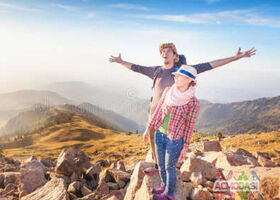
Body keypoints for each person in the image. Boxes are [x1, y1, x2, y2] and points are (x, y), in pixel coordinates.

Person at [109, 43, 256, 174]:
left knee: (171, 148)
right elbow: (136, 68)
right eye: (162, 52)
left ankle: (171, 170)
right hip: (154, 116)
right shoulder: (155, 71)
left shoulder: (184, 71)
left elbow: (210, 65)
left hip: (173, 119)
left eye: (168, 51)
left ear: (175, 56)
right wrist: (120, 61)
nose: (164, 53)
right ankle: (158, 167)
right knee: (155, 146)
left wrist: (235, 57)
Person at [143, 65, 199, 200]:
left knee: (170, 168)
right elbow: (158, 111)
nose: (176, 77)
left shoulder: (193, 102)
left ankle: (168, 194)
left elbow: (189, 126)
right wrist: (148, 128)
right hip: (159, 134)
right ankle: (164, 185)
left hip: (174, 140)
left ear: (189, 80)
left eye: (180, 76)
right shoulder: (168, 91)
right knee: (161, 165)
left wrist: (185, 147)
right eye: (176, 75)